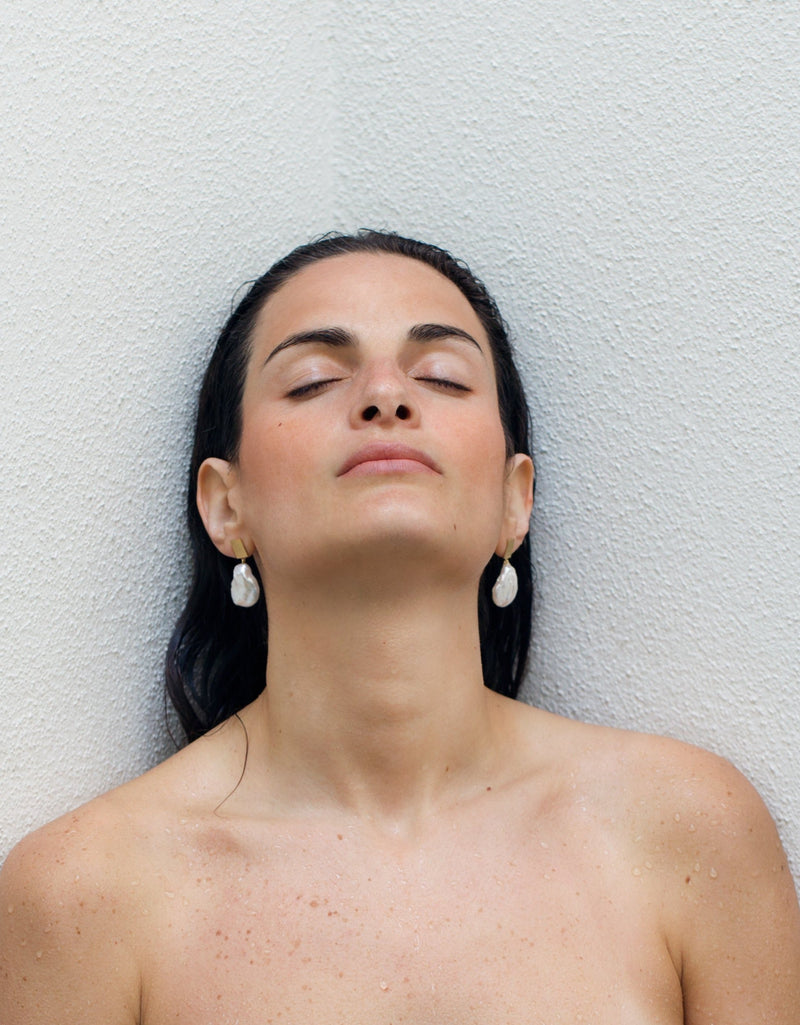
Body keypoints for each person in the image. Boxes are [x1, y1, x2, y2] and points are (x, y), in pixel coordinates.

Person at [1, 231, 798, 1024]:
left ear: (515, 500)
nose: (386, 397)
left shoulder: (688, 832)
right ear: (223, 504)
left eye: (442, 376)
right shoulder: (89, 893)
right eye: (313, 381)